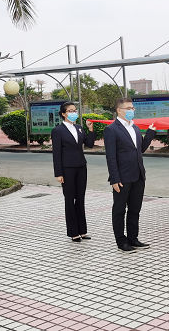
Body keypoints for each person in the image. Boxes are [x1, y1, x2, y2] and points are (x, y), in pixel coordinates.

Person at [104, 97, 156, 253]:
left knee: (135, 209)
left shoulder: (135, 128)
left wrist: (150, 133)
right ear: (119, 110)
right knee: (119, 210)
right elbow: (111, 157)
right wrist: (114, 178)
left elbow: (140, 149)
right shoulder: (111, 129)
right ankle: (121, 241)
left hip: (138, 175)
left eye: (132, 108)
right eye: (128, 108)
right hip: (122, 177)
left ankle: (133, 238)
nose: (132, 111)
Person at [51, 102, 95, 242]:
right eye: (70, 111)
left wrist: (90, 129)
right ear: (64, 114)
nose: (74, 113)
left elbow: (89, 144)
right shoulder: (58, 130)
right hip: (67, 169)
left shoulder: (79, 128)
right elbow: (56, 153)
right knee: (70, 199)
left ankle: (82, 231)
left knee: (80, 199)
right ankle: (73, 232)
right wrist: (58, 173)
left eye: (75, 110)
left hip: (81, 167)